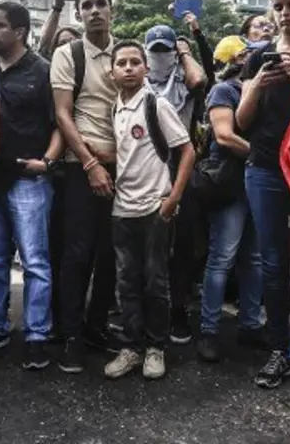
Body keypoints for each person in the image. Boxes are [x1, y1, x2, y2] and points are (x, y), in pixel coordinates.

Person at [0, 1, 61, 370]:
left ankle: (37, 334)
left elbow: (60, 123)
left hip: (29, 180)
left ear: (20, 32)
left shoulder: (42, 71)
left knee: (35, 262)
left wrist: (48, 162)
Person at [103, 41, 195, 381]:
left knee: (156, 281)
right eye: (121, 63)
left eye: (135, 62)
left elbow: (187, 152)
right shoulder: (115, 107)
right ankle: (132, 346)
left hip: (154, 207)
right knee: (126, 280)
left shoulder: (156, 104)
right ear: (112, 72)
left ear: (145, 68)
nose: (128, 68)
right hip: (121, 209)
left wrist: (172, 199)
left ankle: (156, 347)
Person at [236, 0, 290, 389]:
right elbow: (242, 122)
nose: (284, 13)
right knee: (274, 262)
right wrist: (258, 84)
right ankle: (279, 347)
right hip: (265, 167)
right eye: (278, 6)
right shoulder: (257, 57)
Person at [50, 0, 120, 373]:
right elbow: (62, 113)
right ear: (78, 13)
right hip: (81, 167)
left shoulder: (126, 55)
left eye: (100, 4)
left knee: (111, 254)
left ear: (112, 10)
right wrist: (91, 164)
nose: (94, 11)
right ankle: (71, 335)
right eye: (87, 6)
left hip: (122, 166)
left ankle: (96, 327)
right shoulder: (68, 53)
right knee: (77, 253)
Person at [196, 43, 264, 363]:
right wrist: (265, 158)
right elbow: (224, 135)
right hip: (231, 185)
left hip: (259, 186)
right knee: (222, 257)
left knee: (253, 258)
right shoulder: (224, 90)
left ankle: (250, 324)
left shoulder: (270, 91)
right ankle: (209, 329)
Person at [143, 22, 207, 344]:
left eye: (164, 52)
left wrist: (183, 50)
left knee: (182, 244)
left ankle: (179, 308)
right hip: (145, 169)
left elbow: (199, 79)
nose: (159, 58)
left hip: (181, 164)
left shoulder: (183, 80)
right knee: (150, 243)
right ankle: (150, 309)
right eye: (153, 52)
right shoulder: (138, 82)